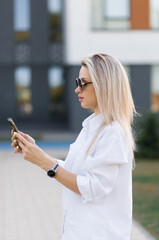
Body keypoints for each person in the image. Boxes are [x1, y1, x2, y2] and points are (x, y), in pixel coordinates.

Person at [11, 53, 136, 240]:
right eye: (78, 82)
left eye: (83, 83)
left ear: (104, 85)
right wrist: (38, 154)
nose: (77, 89)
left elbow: (93, 187)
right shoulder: (91, 126)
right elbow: (75, 172)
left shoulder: (113, 132)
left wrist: (46, 163)